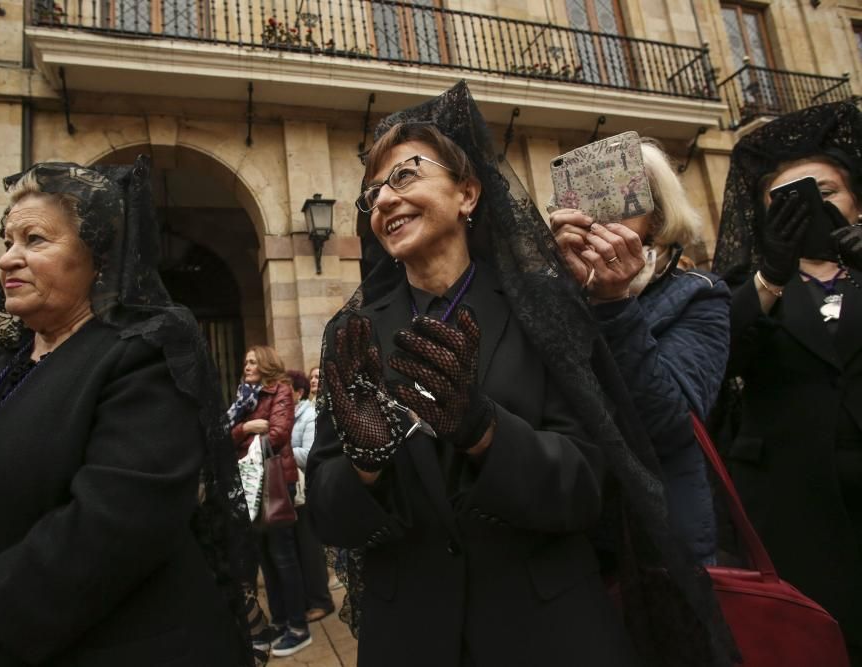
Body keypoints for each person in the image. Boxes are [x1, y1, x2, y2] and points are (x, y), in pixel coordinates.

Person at [307, 82, 735, 667]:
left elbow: (589, 488)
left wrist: (483, 428)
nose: (382, 199)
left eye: (405, 175)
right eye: (371, 191)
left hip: (548, 632)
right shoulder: (350, 334)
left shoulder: (545, 307)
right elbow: (332, 519)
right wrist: (364, 460)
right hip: (411, 637)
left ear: (468, 192)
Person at [0, 158, 256, 666]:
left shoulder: (142, 358)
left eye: (35, 240)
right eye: (7, 242)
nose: (8, 259)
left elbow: (101, 538)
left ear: (98, 257)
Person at [712, 100, 862, 665]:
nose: (813, 208)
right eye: (787, 199)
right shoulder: (744, 284)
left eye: (826, 193)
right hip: (792, 510)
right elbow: (719, 357)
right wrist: (770, 277)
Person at [550, 139, 730, 564]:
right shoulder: (553, 292)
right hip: (571, 536)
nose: (600, 218)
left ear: (658, 218)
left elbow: (669, 424)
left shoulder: (698, 296)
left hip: (658, 539)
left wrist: (612, 305)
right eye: (588, 201)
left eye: (619, 197)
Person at [229, 346, 311, 657]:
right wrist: (247, 427)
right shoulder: (243, 397)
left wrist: (241, 435)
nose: (246, 365)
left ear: (265, 364)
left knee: (283, 555)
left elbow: (278, 433)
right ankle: (278, 622)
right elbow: (225, 434)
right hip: (251, 485)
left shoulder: (281, 390)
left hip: (276, 482)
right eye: (245, 360)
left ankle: (298, 627)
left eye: (252, 361)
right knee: (264, 557)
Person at [287, 369, 334, 622]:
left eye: (286, 389)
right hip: (292, 489)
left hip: (308, 488)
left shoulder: (308, 415)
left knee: (309, 546)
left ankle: (321, 600)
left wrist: (283, 448)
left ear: (298, 392)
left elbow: (309, 454)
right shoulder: (289, 415)